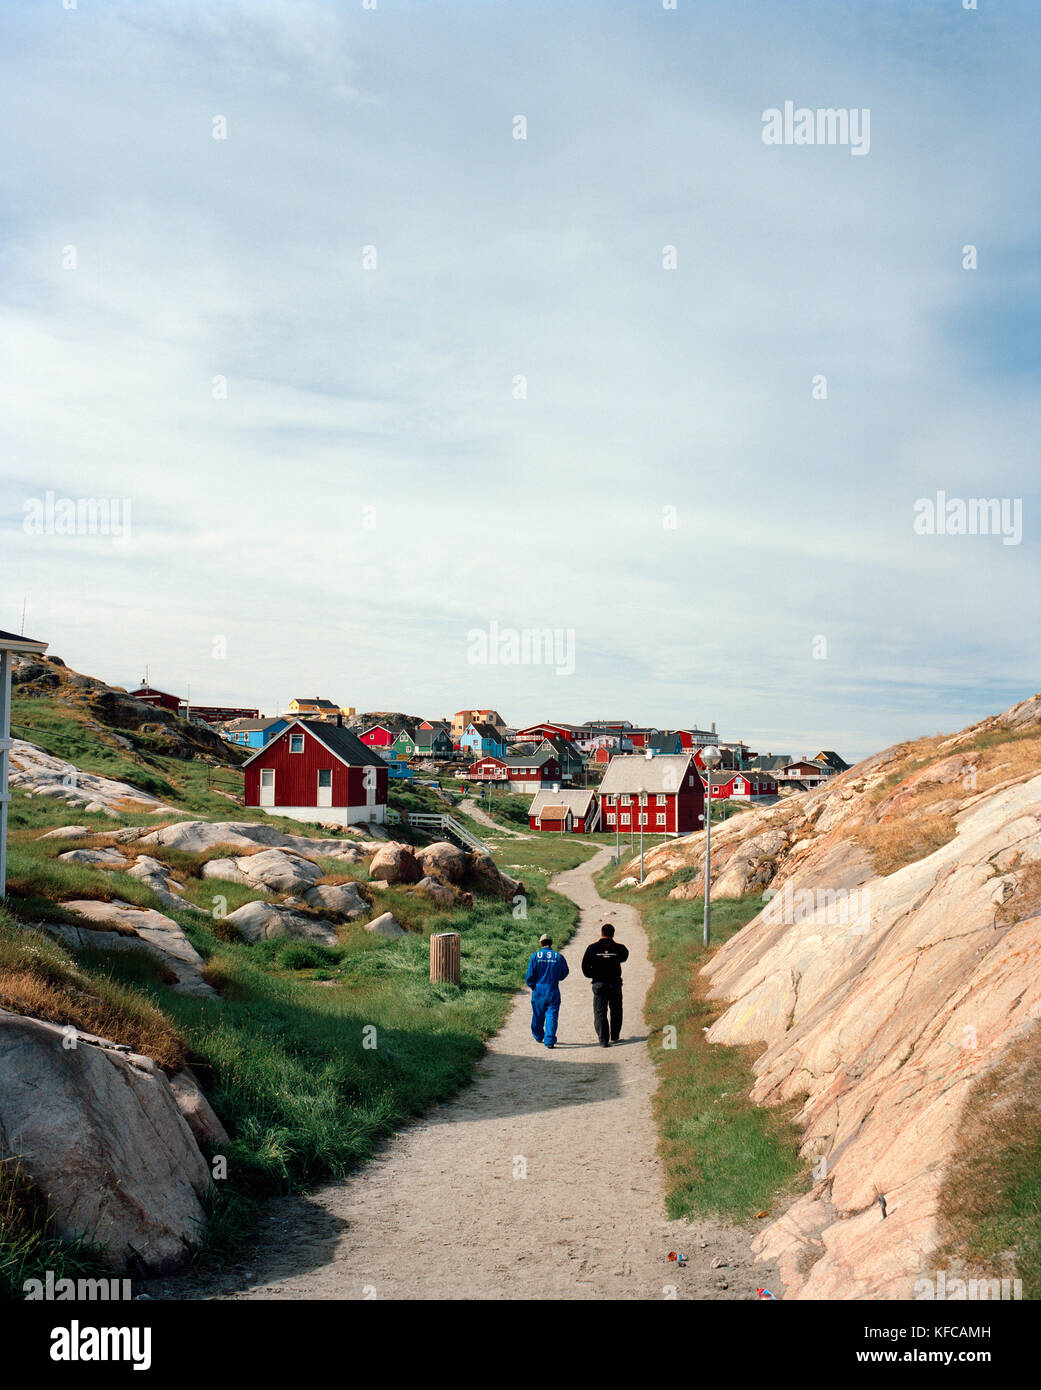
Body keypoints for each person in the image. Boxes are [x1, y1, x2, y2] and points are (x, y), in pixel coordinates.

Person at [581, 922, 629, 1046]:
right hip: (615, 983)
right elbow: (624, 957)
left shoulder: (592, 948)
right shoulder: (620, 948)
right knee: (616, 1010)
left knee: (600, 1011)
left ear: (601, 933)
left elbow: (585, 967)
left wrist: (594, 975)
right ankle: (615, 1035)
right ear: (613, 934)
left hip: (599, 983)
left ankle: (603, 1040)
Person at [525, 934, 569, 1049]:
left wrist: (533, 986)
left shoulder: (535, 956)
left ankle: (538, 1035)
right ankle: (549, 1041)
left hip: (539, 990)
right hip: (553, 989)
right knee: (552, 1016)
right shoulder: (558, 956)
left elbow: (529, 976)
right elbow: (565, 972)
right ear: (551, 942)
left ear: (541, 943)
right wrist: (557, 978)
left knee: (537, 1014)